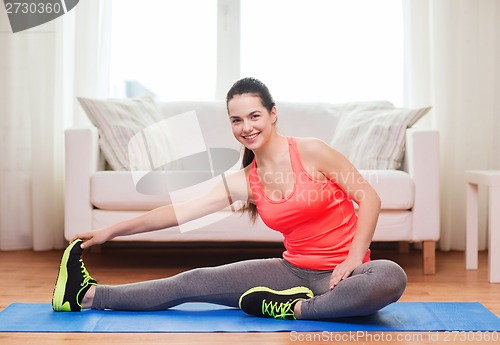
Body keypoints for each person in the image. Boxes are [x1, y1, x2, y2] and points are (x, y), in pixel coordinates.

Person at [52, 77, 407, 320]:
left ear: (273, 113)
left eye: (254, 116)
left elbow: (369, 197)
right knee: (190, 281)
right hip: (293, 272)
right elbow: (178, 212)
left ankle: (294, 310)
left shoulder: (313, 152)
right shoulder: (242, 182)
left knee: (390, 277)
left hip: (349, 274)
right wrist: (109, 232)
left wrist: (353, 258)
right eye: (236, 120)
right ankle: (85, 296)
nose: (246, 127)